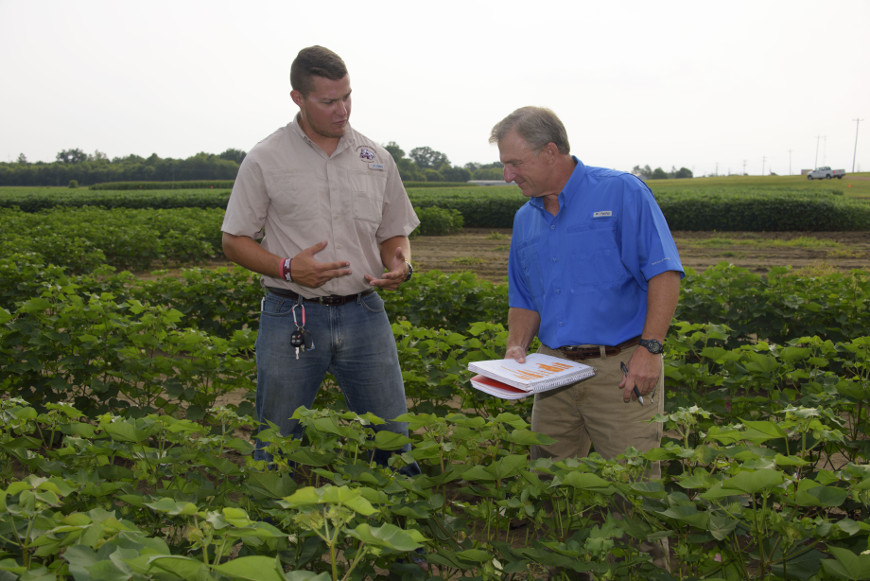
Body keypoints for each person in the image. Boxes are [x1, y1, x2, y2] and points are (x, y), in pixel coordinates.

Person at [490, 106, 683, 569]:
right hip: (552, 372)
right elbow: (524, 299)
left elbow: (664, 273)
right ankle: (564, 570)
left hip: (618, 369)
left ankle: (644, 574)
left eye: (515, 163)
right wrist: (517, 344)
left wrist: (650, 349)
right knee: (550, 485)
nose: (507, 175)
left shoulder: (621, 192)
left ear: (551, 151)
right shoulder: (525, 219)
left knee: (632, 493)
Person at [221, 45, 420, 475]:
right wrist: (288, 268)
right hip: (291, 313)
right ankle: (271, 533)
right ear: (298, 98)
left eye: (347, 96)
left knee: (392, 435)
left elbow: (393, 232)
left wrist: (401, 262)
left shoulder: (376, 159)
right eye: (328, 101)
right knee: (277, 440)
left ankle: (406, 537)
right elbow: (234, 241)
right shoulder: (265, 159)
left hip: (365, 313)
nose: (342, 109)